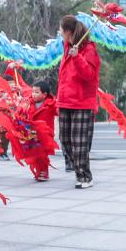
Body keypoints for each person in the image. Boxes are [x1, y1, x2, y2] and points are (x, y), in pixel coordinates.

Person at [57, 15, 101, 189]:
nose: (60, 32)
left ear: (68, 31)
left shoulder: (88, 50)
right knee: (65, 140)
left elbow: (90, 75)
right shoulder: (67, 47)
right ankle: (78, 170)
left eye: (61, 29)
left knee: (79, 142)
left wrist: (77, 57)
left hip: (82, 102)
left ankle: (84, 176)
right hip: (65, 101)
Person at [29, 80, 59, 181]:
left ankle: (44, 171)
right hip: (32, 133)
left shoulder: (51, 104)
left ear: (44, 94)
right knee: (35, 153)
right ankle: (39, 170)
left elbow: (58, 111)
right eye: (33, 91)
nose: (33, 94)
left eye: (36, 92)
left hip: (45, 134)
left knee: (42, 154)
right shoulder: (29, 103)